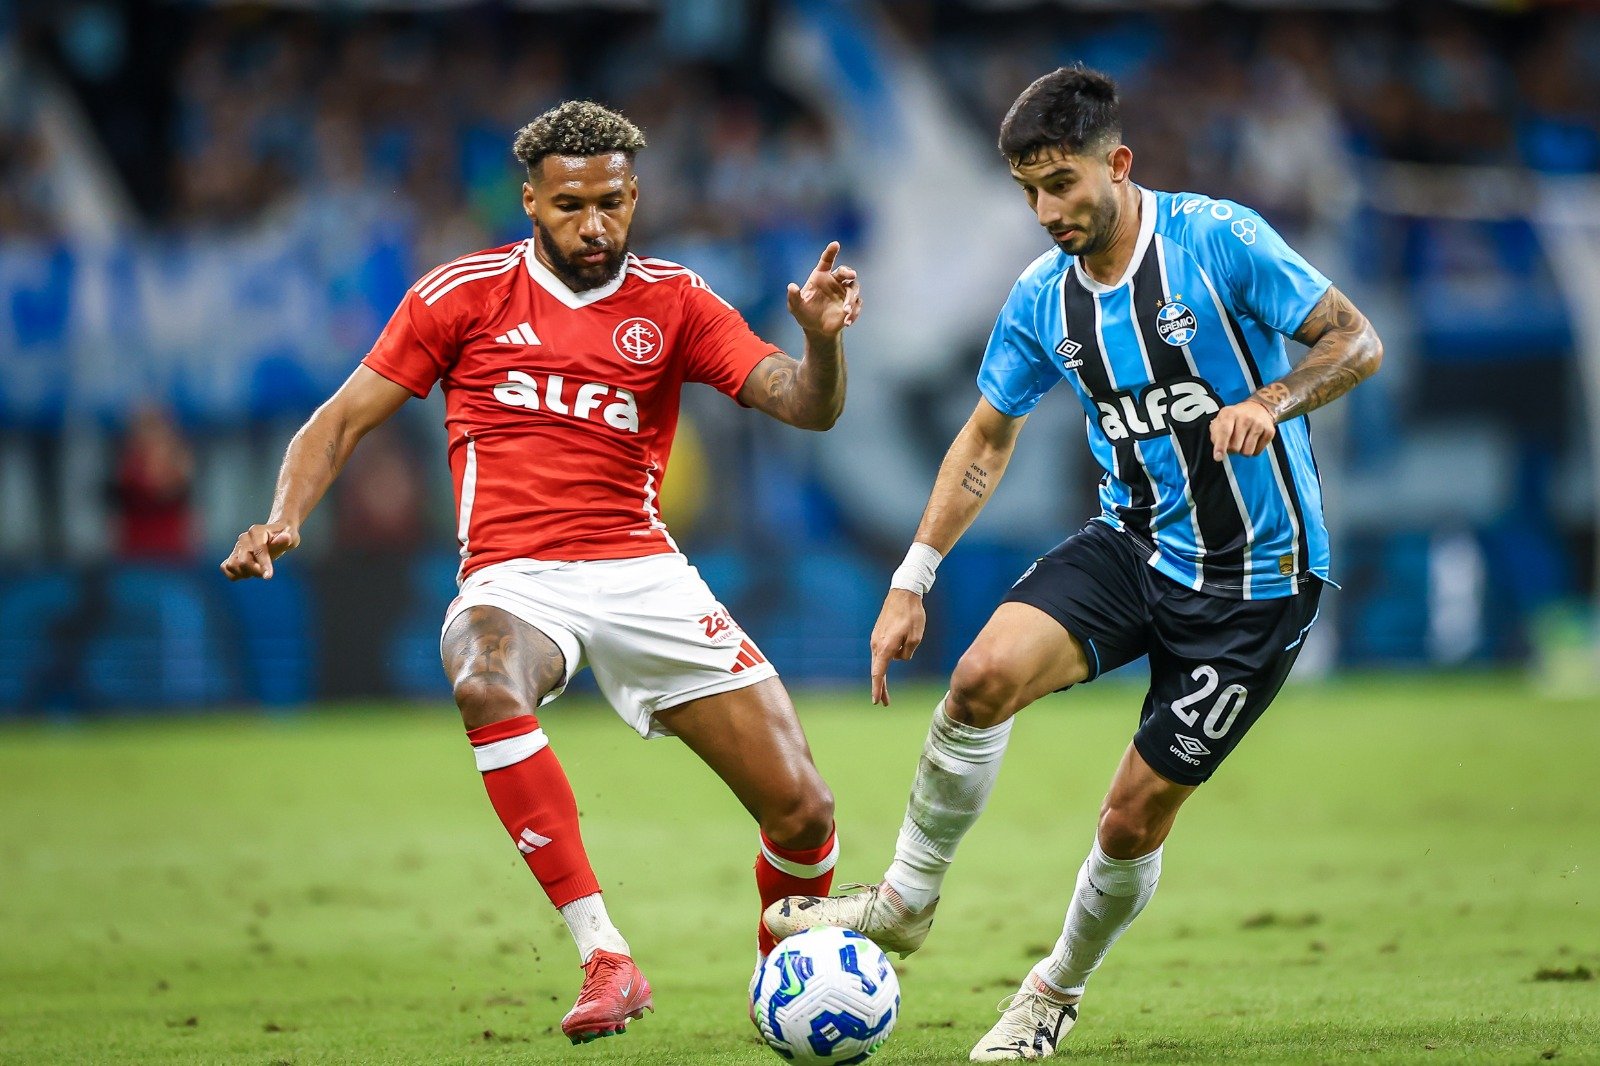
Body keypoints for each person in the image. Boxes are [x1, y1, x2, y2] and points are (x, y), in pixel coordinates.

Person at [763, 65, 1382, 1061]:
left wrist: (1270, 401)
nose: (1046, 210)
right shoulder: (1041, 299)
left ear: (1117, 164)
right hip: (1133, 545)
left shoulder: (1217, 241)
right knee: (977, 680)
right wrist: (909, 579)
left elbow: (1355, 341)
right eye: (1027, 190)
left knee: (1132, 817)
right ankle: (906, 900)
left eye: (1061, 185)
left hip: (1257, 583)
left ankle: (1053, 990)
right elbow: (984, 440)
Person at [221, 101, 862, 1045]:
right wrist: (284, 517)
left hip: (645, 572)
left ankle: (785, 975)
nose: (593, 226)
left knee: (804, 810)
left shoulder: (677, 300)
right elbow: (340, 419)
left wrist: (823, 340)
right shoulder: (461, 295)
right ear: (530, 200)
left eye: (611, 203)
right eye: (570, 206)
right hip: (514, 577)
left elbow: (805, 407)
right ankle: (606, 956)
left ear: (635, 196)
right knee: (485, 679)